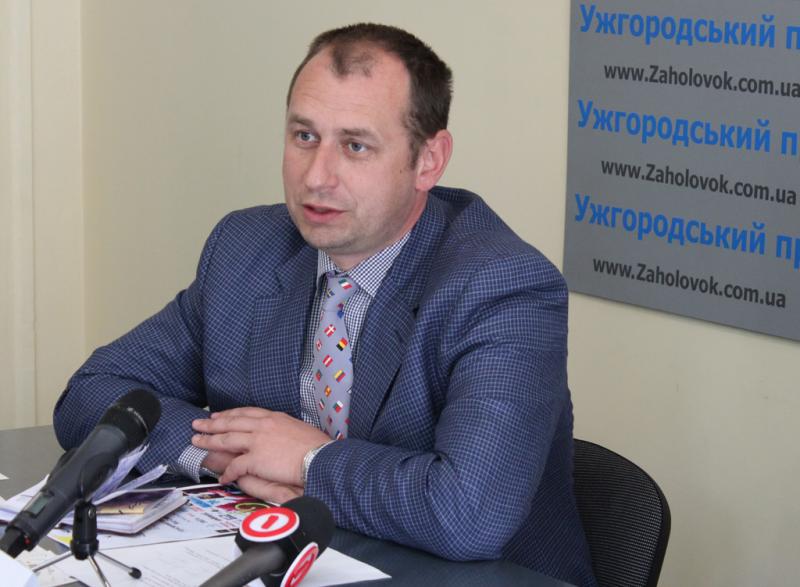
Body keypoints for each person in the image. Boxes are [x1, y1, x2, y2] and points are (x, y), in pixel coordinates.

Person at [53, 23, 596, 586]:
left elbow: (467, 514)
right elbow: (91, 393)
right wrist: (230, 453)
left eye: (355, 146)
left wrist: (307, 461)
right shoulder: (246, 248)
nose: (316, 177)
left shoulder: (502, 286)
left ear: (429, 161)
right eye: (304, 136)